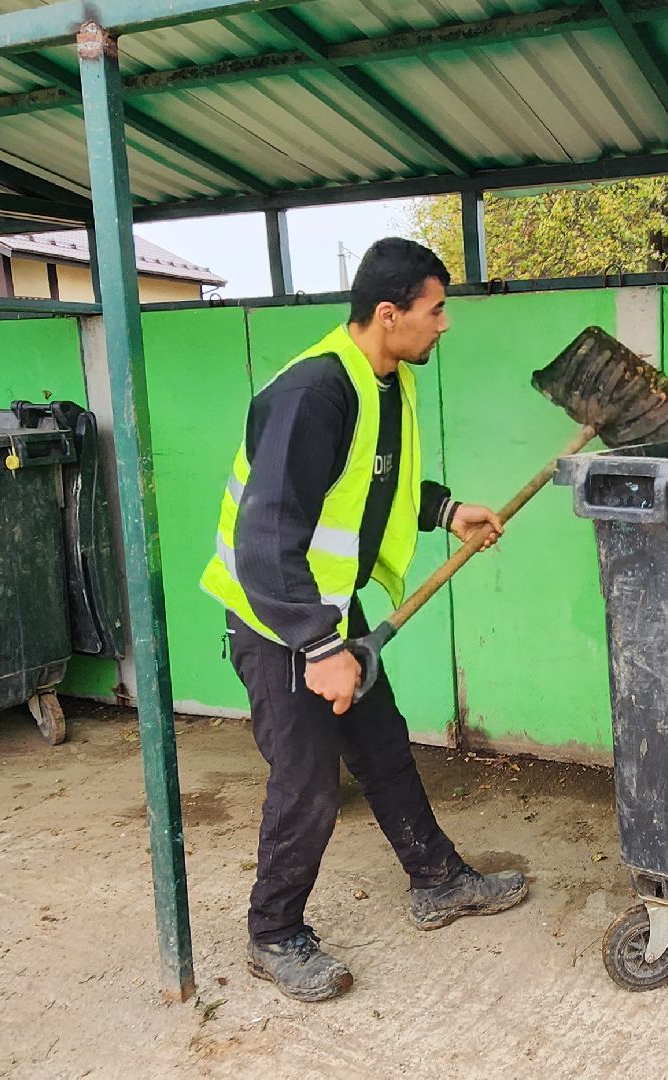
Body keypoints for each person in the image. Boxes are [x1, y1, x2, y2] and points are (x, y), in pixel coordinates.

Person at [200, 237, 525, 1002]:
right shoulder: (313, 392)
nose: (444, 324)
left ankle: (437, 880)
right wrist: (317, 645)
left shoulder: (383, 382)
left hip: (323, 603)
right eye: (435, 309)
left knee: (380, 747)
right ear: (390, 313)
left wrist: (446, 510)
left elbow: (375, 484)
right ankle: (273, 934)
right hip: (275, 612)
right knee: (307, 781)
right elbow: (265, 538)